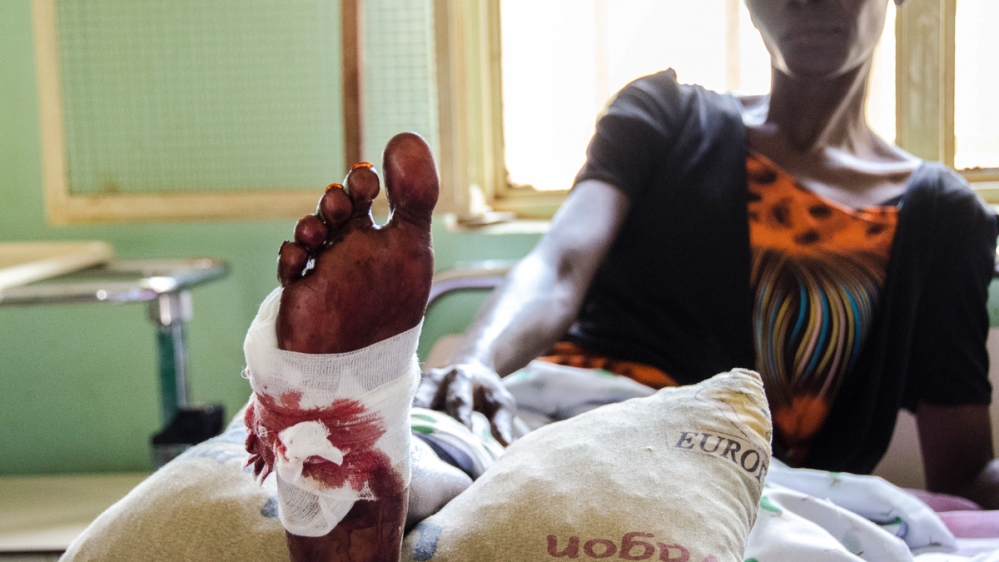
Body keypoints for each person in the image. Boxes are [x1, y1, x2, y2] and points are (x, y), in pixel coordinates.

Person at [260, 0, 998, 560]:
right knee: (474, 437)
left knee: (766, 534)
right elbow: (559, 262)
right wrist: (477, 363)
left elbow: (961, 471)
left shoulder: (943, 219)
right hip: (568, 407)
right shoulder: (666, 114)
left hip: (739, 470)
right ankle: (368, 473)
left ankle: (363, 477)